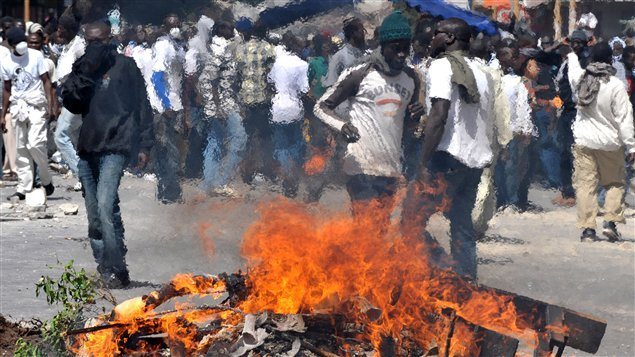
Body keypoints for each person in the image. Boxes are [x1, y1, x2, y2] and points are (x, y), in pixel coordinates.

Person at [63, 21, 154, 287]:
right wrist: (86, 74)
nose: (95, 48)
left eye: (99, 42)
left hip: (116, 144)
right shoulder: (82, 68)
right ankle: (105, 265)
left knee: (105, 205)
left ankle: (117, 266)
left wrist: (145, 146)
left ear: (110, 39)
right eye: (90, 43)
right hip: (89, 145)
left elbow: (142, 107)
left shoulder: (126, 67)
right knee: (95, 213)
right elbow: (71, 101)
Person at [315, 11, 424, 230]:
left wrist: (417, 116)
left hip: (391, 169)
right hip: (361, 166)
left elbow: (409, 127)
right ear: (383, 46)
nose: (402, 54)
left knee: (381, 229)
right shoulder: (359, 73)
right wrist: (342, 126)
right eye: (396, 47)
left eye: (406, 47)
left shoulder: (413, 78)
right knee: (366, 230)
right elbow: (321, 107)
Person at [404, 18, 493, 280]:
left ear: (450, 39)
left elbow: (439, 115)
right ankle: (466, 283)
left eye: (437, 34)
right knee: (462, 225)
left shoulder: (442, 66)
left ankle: (441, 271)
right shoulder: (481, 69)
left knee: (410, 218)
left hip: (447, 158)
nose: (432, 39)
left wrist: (422, 162)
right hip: (475, 161)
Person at [566, 42, 635, 242]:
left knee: (585, 185)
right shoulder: (615, 85)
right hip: (610, 143)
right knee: (614, 182)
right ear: (609, 60)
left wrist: (571, 55)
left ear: (591, 59)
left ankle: (588, 229)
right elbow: (624, 118)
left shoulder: (581, 80)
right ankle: (610, 223)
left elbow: (573, 70)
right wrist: (631, 145)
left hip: (584, 142)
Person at [1, 28, 57, 201]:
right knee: (21, 149)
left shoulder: (36, 56)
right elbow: (8, 89)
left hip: (36, 105)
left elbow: (46, 82)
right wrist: (3, 114)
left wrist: (50, 105)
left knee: (36, 144)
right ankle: (23, 188)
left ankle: (46, 180)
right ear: (10, 45)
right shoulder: (5, 62)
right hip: (18, 107)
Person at [198, 20, 246, 196]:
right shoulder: (219, 48)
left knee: (215, 142)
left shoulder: (223, 46)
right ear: (221, 31)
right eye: (229, 27)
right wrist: (217, 106)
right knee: (240, 139)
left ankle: (208, 184)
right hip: (223, 105)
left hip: (219, 105)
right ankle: (222, 181)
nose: (232, 29)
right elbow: (207, 79)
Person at [233, 20, 277, 184]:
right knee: (266, 137)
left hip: (245, 98)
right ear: (264, 32)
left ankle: (247, 172)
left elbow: (237, 73)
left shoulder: (241, 48)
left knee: (249, 137)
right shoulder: (268, 48)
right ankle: (267, 171)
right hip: (263, 99)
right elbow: (272, 74)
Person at [268, 32, 310, 198]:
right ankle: (294, 175)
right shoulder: (301, 64)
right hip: (294, 109)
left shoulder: (278, 62)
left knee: (281, 146)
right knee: (297, 144)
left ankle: (287, 175)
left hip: (277, 108)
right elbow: (304, 90)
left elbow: (270, 81)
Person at [151, 13, 186, 203]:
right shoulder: (163, 46)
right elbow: (157, 78)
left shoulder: (178, 46)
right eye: (172, 25)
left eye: (177, 24)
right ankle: (169, 191)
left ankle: (169, 189)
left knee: (173, 150)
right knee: (167, 150)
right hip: (165, 107)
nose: (176, 27)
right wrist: (166, 104)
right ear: (165, 27)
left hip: (177, 104)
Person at [555, 30, 592, 208]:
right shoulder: (568, 61)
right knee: (564, 152)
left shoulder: (586, 61)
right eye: (573, 42)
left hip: (578, 112)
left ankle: (574, 193)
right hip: (566, 111)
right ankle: (567, 191)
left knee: (575, 152)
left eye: (579, 42)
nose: (575, 45)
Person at [54, 15, 85, 191]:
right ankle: (86, 176)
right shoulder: (67, 46)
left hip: (76, 97)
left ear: (70, 28)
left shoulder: (79, 45)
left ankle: (81, 174)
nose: (59, 31)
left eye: (61, 28)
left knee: (60, 136)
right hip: (66, 95)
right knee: (74, 138)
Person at [322, 17, 366, 88]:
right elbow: (330, 85)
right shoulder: (339, 57)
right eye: (361, 31)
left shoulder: (365, 54)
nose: (364, 34)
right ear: (353, 33)